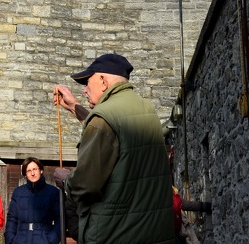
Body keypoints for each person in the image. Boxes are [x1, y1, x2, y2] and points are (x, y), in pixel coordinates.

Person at [53, 53, 174, 243]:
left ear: (103, 81)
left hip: (114, 234)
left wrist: (66, 180)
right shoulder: (147, 109)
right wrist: (74, 106)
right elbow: (115, 129)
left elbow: (85, 185)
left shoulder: (103, 118)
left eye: (87, 83)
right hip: (153, 235)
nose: (84, 91)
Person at [4, 157, 61, 244]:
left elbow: (60, 219)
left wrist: (51, 240)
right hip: (20, 240)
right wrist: (10, 240)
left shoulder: (52, 192)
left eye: (35, 169)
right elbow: (12, 219)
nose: (32, 173)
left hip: (43, 239)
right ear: (25, 174)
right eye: (29, 171)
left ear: (41, 170)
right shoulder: (18, 193)